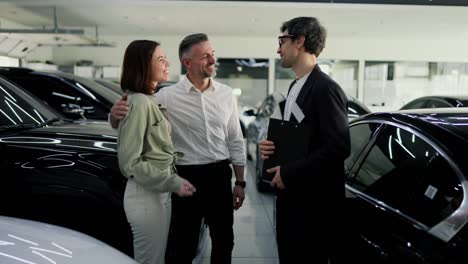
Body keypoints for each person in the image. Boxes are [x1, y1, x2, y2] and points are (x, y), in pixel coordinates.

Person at [111, 33, 246, 264]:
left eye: (212, 54)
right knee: (184, 244)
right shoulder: (166, 96)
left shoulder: (226, 95)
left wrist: (240, 182)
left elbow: (235, 139)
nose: (212, 60)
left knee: (224, 241)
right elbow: (132, 110)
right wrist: (113, 116)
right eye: (205, 56)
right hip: (187, 176)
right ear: (187, 63)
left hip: (219, 176)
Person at [259, 17, 351, 264]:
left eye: (282, 41)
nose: (279, 48)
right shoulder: (295, 86)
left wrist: (289, 172)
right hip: (292, 199)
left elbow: (339, 147)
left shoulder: (325, 88)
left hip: (313, 209)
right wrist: (273, 147)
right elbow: (303, 140)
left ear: (299, 41)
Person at [117, 40, 196, 264]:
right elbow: (129, 163)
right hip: (145, 197)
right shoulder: (139, 103)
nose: (167, 63)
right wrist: (172, 182)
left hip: (156, 193)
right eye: (160, 59)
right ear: (143, 65)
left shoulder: (148, 99)